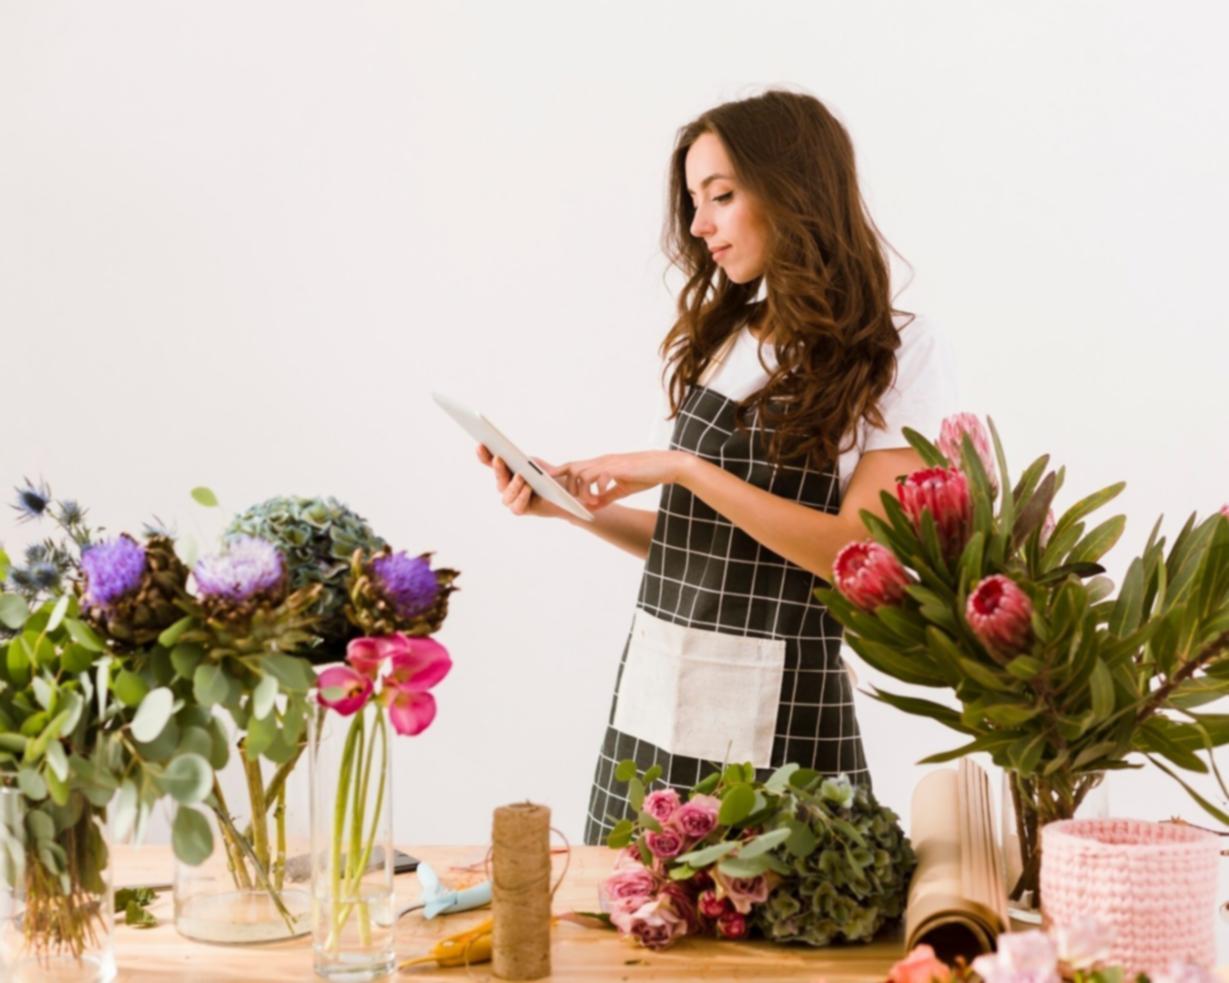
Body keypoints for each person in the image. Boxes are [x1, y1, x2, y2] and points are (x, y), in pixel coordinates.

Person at [476, 89, 957, 846]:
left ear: (793, 191)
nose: (699, 226)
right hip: (657, 689)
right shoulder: (730, 332)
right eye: (694, 201)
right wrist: (568, 507)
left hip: (778, 710)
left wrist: (685, 469)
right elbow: (700, 547)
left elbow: (855, 556)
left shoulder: (893, 351)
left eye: (721, 197)